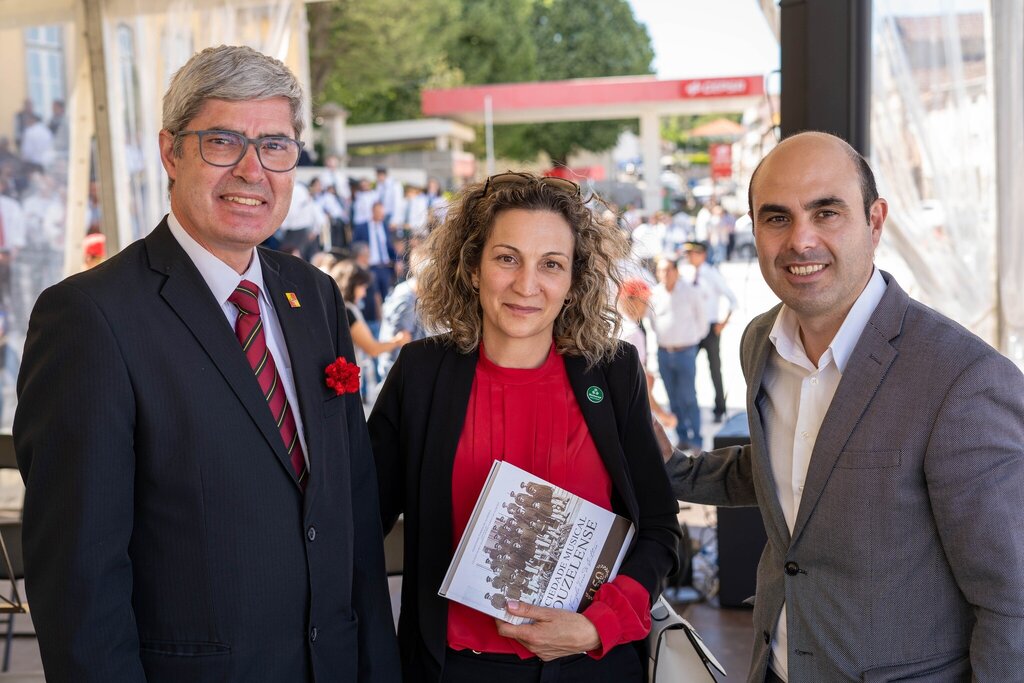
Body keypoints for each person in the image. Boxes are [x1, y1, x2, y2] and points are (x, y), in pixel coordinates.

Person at [13, 45, 399, 683]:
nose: (252, 170)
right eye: (223, 141)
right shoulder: (89, 317)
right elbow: (78, 578)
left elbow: (350, 515)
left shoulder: (314, 296)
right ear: (171, 152)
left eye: (274, 145)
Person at [670, 131, 1024, 682]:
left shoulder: (963, 379)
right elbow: (792, 473)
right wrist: (671, 467)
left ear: (874, 222)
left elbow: (1013, 601)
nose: (801, 240)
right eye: (777, 218)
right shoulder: (760, 342)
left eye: (826, 212)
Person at [368, 171, 681, 683]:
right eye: (507, 258)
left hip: (592, 667)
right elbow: (360, 521)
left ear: (574, 280)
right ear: (473, 268)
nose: (526, 285)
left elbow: (659, 528)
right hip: (455, 671)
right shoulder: (421, 373)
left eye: (551, 264)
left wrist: (599, 625)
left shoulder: (612, 372)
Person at [648, 255, 707, 448]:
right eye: (660, 271)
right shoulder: (654, 294)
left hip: (685, 352)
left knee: (689, 397)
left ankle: (696, 439)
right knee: (672, 398)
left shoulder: (689, 291)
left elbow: (702, 320)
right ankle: (682, 437)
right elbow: (652, 322)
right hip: (664, 353)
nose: (664, 274)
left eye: (667, 270)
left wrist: (691, 340)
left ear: (676, 271)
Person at [330, 259, 408, 398]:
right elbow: (372, 348)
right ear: (351, 285)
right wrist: (398, 341)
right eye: (362, 287)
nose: (364, 293)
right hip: (345, 384)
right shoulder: (347, 311)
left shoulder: (338, 308)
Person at [684, 240, 738, 423]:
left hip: (710, 328)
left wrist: (723, 323)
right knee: (688, 369)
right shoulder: (687, 273)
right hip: (693, 329)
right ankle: (691, 408)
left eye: (692, 253)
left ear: (702, 255)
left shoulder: (711, 273)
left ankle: (719, 409)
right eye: (688, 254)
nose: (689, 257)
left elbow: (732, 299)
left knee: (715, 369)